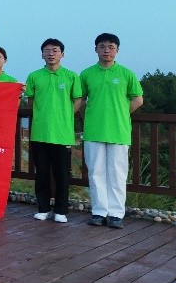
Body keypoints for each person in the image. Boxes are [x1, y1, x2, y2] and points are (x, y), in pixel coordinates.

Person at [81, 33, 144, 229]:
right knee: (95, 172)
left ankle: (116, 213)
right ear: (96, 49)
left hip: (119, 131)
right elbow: (80, 100)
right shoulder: (86, 74)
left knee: (117, 173)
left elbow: (138, 99)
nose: (106, 50)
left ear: (117, 50)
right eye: (102, 46)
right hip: (93, 130)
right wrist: (88, 116)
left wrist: (121, 114)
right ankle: (99, 212)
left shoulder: (126, 74)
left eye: (110, 47)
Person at [24, 38, 82, 223]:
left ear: (62, 54)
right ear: (42, 54)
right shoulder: (34, 76)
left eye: (55, 50)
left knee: (62, 174)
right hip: (40, 132)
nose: (51, 54)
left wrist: (64, 116)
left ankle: (61, 210)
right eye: (47, 50)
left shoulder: (72, 76)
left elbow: (77, 101)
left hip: (62, 133)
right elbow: (31, 102)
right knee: (41, 172)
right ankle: (42, 208)